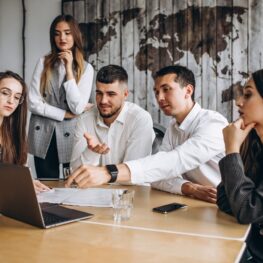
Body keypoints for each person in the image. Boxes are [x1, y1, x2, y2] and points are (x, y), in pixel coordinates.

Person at [66, 65, 228, 203]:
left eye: (166, 90)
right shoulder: (173, 127)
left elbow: (176, 161)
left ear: (188, 91)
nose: (160, 98)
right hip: (197, 202)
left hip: (225, 201)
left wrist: (108, 172)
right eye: (157, 92)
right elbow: (158, 178)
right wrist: (189, 187)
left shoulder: (213, 123)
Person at [28, 14, 94, 179]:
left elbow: (77, 108)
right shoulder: (43, 62)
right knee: (46, 183)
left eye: (67, 32)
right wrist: (63, 114)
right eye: (57, 33)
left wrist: (69, 70)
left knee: (71, 182)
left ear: (75, 35)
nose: (62, 38)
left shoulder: (87, 69)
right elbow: (33, 102)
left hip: (71, 132)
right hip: (42, 131)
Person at [217, 69, 263, 263]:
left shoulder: (238, 144)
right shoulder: (253, 144)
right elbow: (225, 200)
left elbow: (247, 210)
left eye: (248, 94)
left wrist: (232, 149)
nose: (238, 102)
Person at [70, 64, 154, 170]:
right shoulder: (84, 119)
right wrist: (91, 152)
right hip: (95, 186)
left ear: (125, 94)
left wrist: (102, 174)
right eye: (99, 93)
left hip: (132, 187)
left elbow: (134, 172)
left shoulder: (140, 119)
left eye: (111, 94)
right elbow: (74, 171)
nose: (103, 101)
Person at [0, 70, 49, 193]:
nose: (11, 101)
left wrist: (27, 181)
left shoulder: (14, 134)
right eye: (5, 93)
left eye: (17, 97)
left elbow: (21, 169)